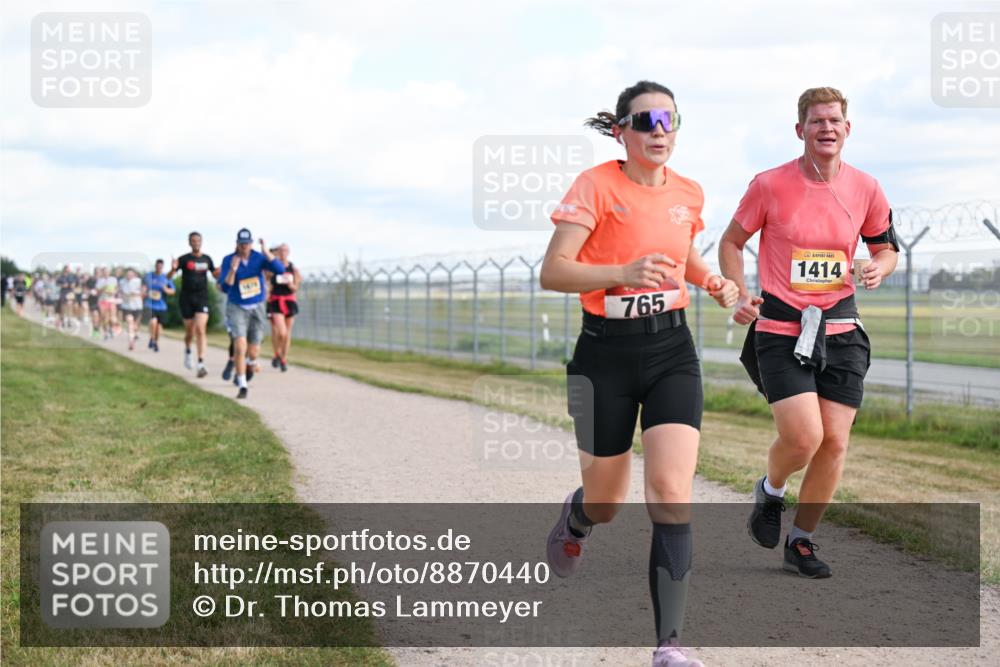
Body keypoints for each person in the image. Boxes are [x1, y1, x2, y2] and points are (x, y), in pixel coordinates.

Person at [539, 81, 738, 667]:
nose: (659, 130)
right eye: (646, 120)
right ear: (620, 130)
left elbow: (683, 254)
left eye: (669, 119)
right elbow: (554, 270)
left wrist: (712, 282)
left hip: (671, 351)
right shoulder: (596, 186)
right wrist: (621, 270)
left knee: (672, 492)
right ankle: (578, 520)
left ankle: (670, 646)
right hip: (604, 355)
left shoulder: (689, 192)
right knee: (607, 502)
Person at [718, 87, 899, 579]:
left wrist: (879, 267)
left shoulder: (867, 187)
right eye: (816, 121)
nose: (826, 128)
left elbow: (886, 247)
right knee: (803, 439)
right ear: (800, 130)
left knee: (835, 444)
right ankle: (770, 491)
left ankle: (801, 542)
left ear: (847, 128)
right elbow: (732, 241)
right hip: (780, 329)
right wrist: (738, 288)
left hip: (841, 329)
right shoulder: (770, 184)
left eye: (834, 120)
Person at [220, 229, 285, 398]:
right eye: (241, 244)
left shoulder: (259, 257)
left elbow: (279, 270)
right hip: (237, 307)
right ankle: (242, 384)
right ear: (237, 244)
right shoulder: (229, 260)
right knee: (240, 345)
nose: (244, 247)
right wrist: (233, 270)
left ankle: (250, 365)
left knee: (254, 351)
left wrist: (266, 253)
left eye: (247, 243)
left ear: (251, 243)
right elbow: (225, 288)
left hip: (256, 306)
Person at [169, 232, 217, 378]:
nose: (196, 243)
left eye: (198, 240)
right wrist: (173, 269)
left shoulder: (207, 259)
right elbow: (168, 278)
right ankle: (188, 349)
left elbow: (215, 274)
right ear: (189, 243)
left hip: (202, 298)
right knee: (190, 331)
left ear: (201, 242)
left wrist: (222, 271)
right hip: (186, 298)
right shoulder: (183, 259)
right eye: (193, 241)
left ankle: (201, 363)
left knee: (201, 330)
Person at [266, 243, 300, 372]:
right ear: (278, 252)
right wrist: (268, 292)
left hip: (289, 301)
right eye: (281, 250)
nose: (283, 252)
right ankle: (277, 353)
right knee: (280, 331)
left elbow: (296, 287)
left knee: (287, 334)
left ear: (288, 252)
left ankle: (283, 358)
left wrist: (291, 284)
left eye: (286, 250)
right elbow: (267, 282)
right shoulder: (273, 268)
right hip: (275, 301)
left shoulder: (293, 269)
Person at [143, 259, 176, 352]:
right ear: (155, 266)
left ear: (162, 267)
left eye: (161, 266)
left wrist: (166, 290)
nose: (159, 268)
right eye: (157, 266)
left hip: (162, 306)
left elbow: (173, 291)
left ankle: (156, 342)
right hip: (150, 304)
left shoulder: (166, 277)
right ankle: (152, 338)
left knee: (158, 327)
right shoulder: (149, 276)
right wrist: (147, 292)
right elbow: (143, 287)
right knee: (153, 322)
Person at [119, 268, 144, 351]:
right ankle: (131, 342)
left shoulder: (138, 281)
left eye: (131, 275)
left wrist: (136, 294)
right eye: (127, 275)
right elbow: (119, 292)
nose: (129, 276)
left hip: (137, 306)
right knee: (130, 323)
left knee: (135, 326)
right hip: (126, 306)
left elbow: (143, 292)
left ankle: (135, 334)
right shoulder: (122, 282)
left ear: (134, 275)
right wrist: (122, 295)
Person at [96, 267, 120, 338]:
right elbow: (97, 291)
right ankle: (106, 332)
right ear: (102, 273)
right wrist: (104, 288)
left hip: (111, 300)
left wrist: (114, 292)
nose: (106, 273)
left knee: (112, 317)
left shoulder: (113, 279)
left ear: (109, 272)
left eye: (107, 272)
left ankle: (112, 329)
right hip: (102, 300)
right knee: (104, 317)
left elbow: (116, 288)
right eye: (104, 272)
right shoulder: (100, 280)